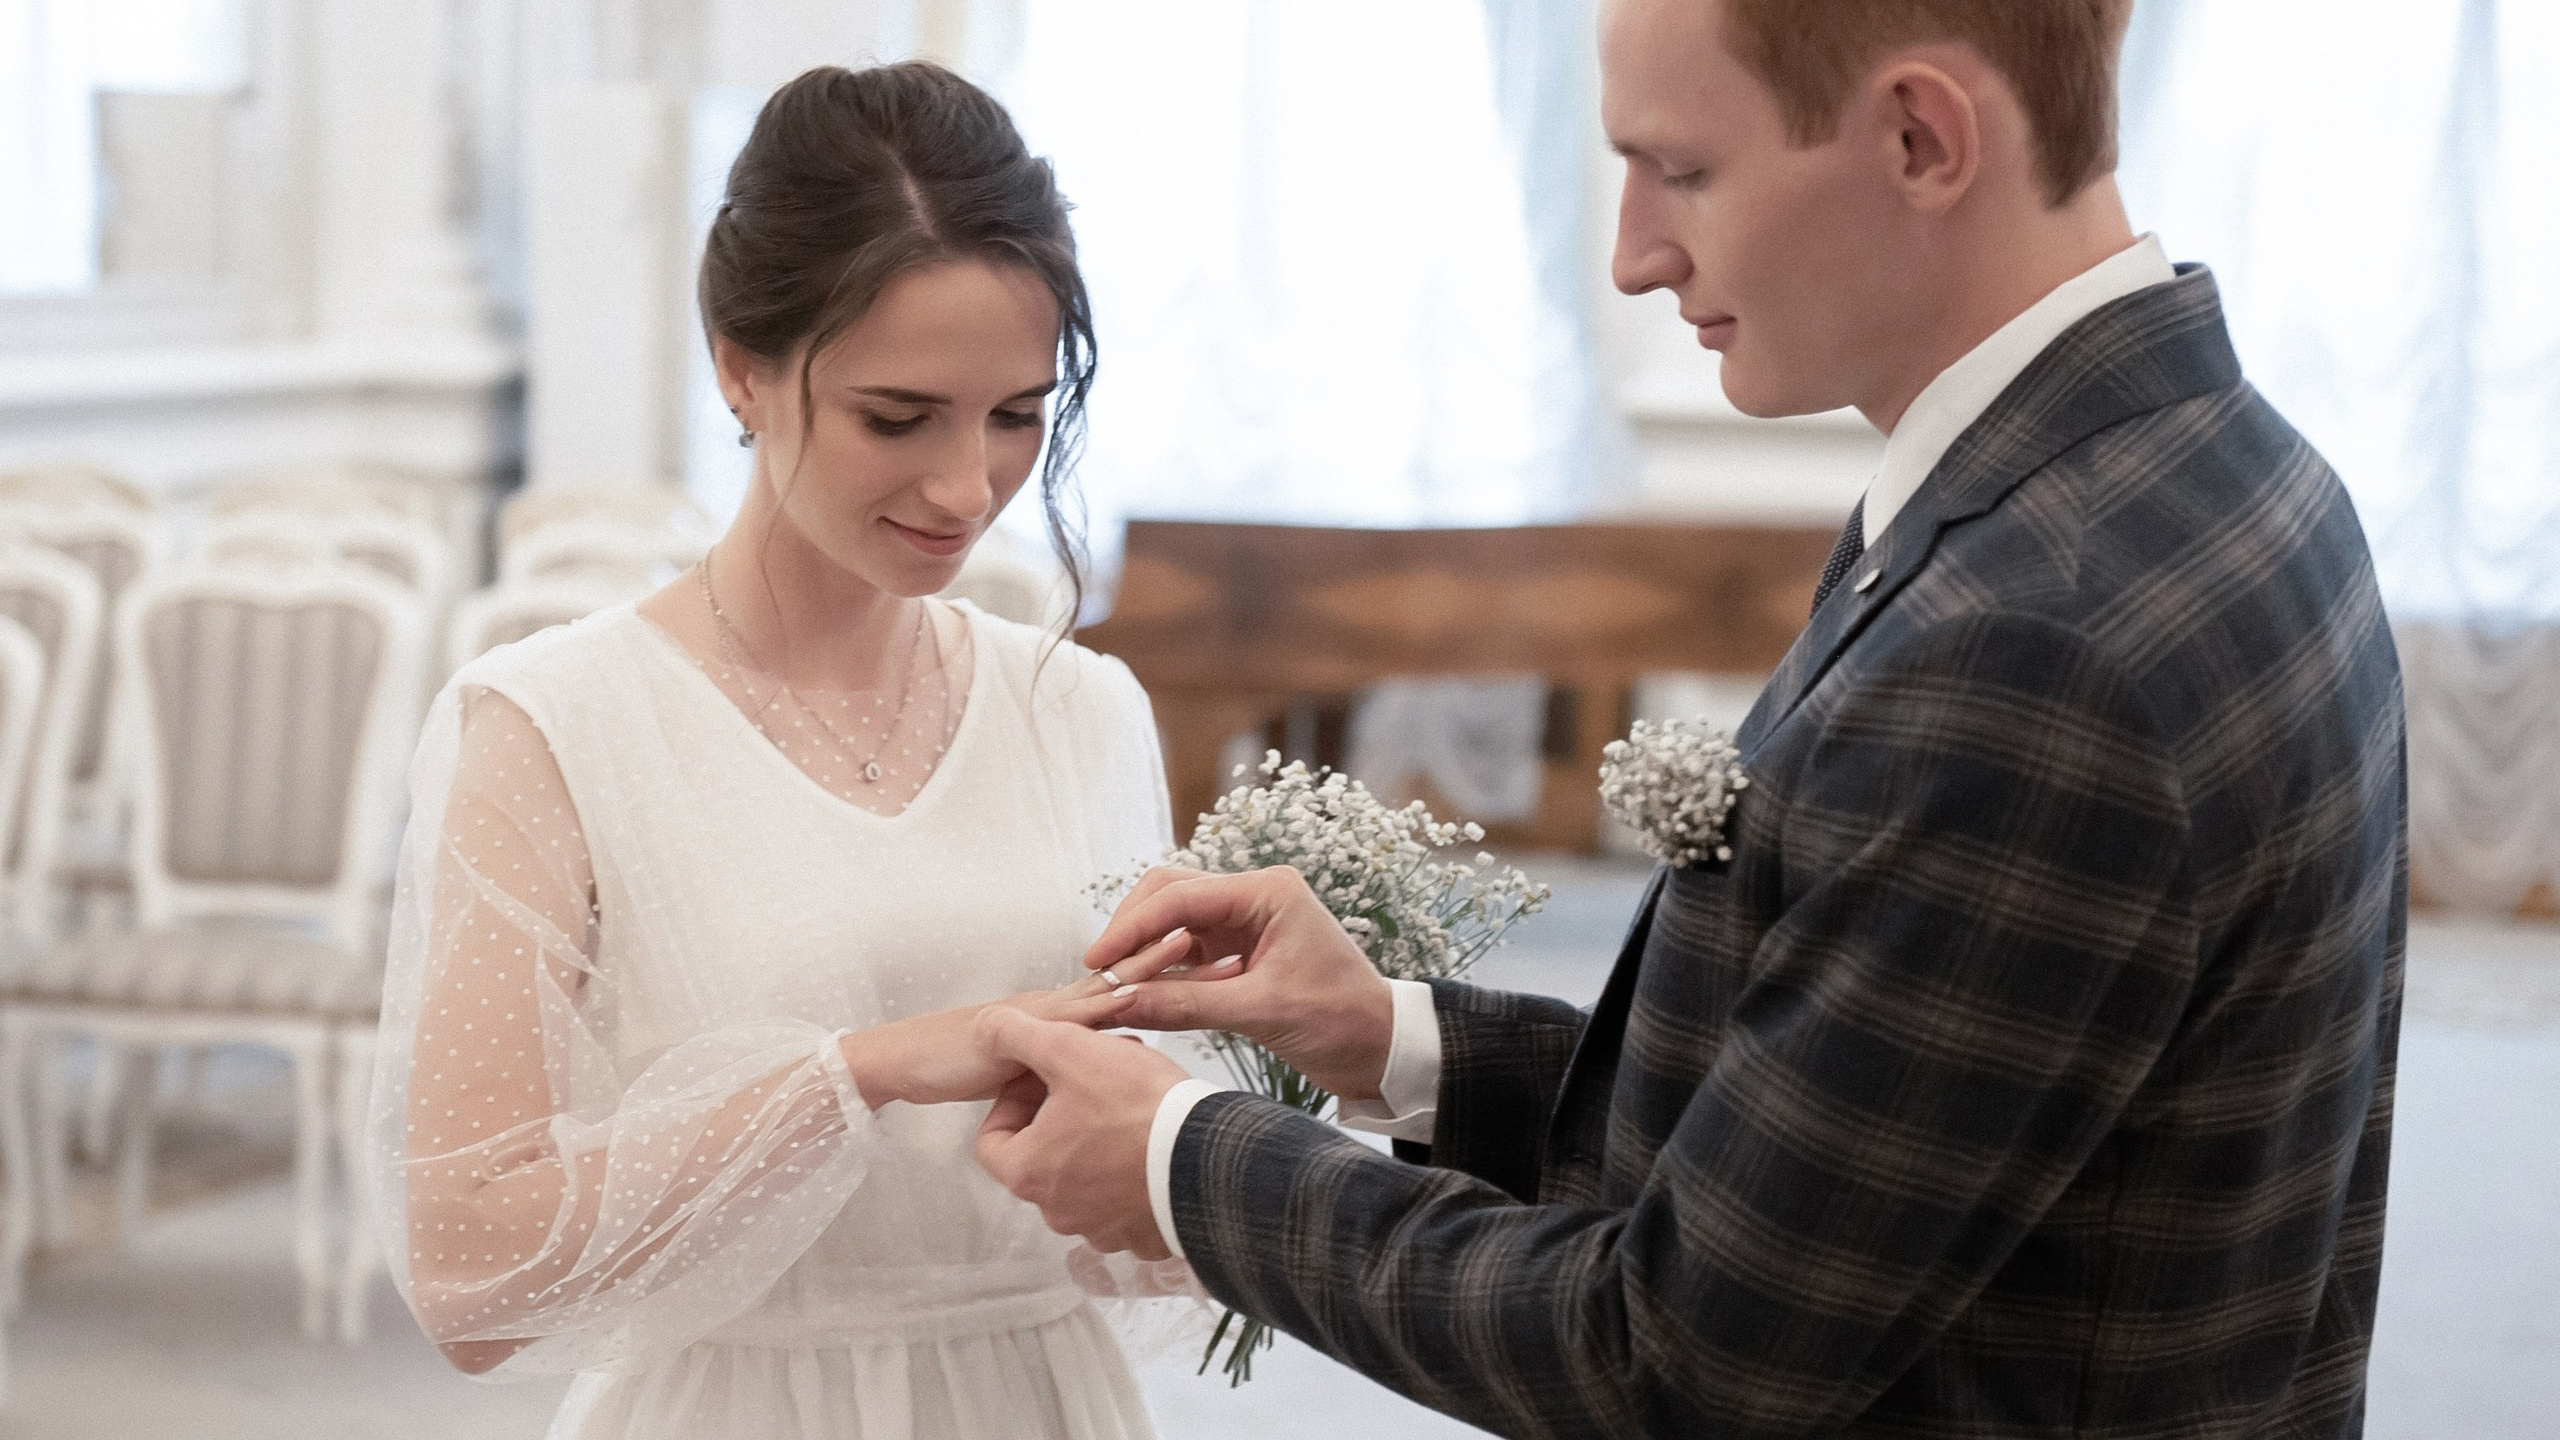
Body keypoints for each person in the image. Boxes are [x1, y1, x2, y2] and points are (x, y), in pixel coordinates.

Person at [968, 2, 2406, 1436]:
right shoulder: (2216, 468)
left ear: (1922, 137)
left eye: (1685, 171)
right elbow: (1860, 1150)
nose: (1635, 253)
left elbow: (1678, 1360)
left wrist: (1183, 1159)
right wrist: (1400, 1042)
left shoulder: (2032, 642)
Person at [367, 62, 1195, 1440]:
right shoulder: (553, 727)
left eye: (1014, 416)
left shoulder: (1082, 710)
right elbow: (472, 1273)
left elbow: (1129, 1239)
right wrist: (857, 1074)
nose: (967, 489)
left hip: (1041, 1399)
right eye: (898, 416)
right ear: (739, 365)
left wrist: (1253, 1109)